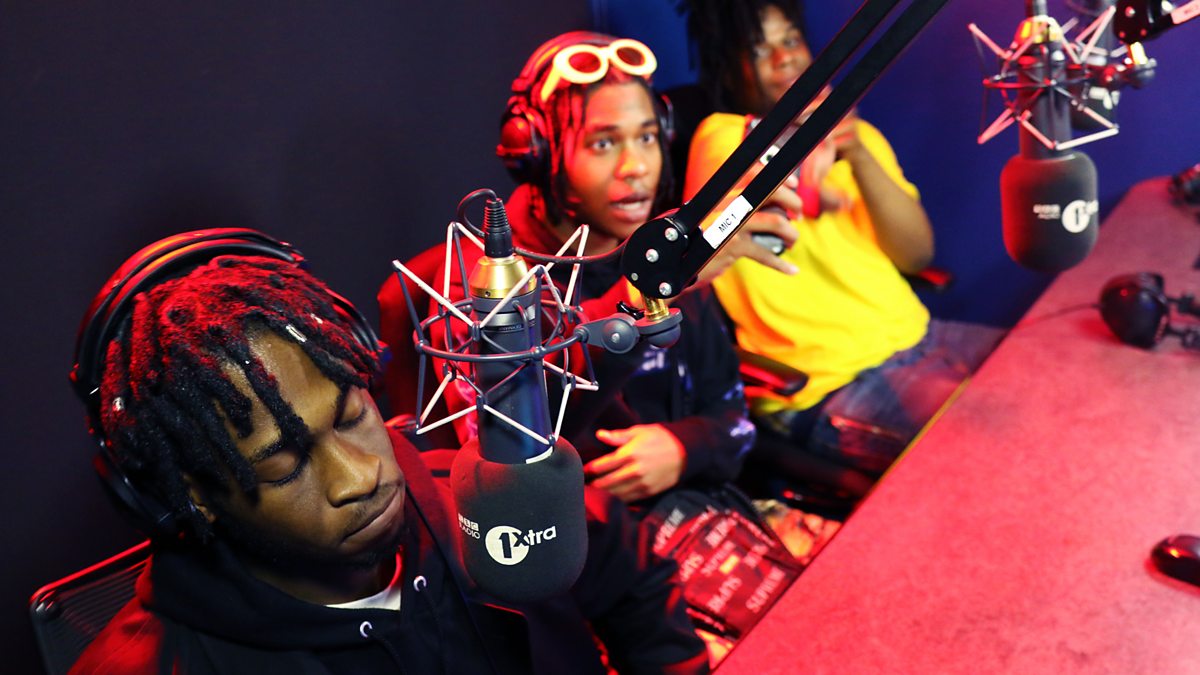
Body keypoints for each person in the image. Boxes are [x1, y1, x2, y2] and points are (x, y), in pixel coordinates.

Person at [68, 230, 708, 674]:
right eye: (284, 463)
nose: (362, 476)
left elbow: (633, 573)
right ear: (193, 495)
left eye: (351, 416)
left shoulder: (478, 503)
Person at [381, 31, 793, 508]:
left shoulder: (668, 250)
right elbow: (507, 450)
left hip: (694, 517)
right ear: (536, 152)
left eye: (646, 137)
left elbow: (734, 422)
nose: (636, 166)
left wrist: (686, 446)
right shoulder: (484, 281)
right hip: (583, 538)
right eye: (603, 143)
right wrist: (640, 297)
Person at [678, 0, 1003, 480]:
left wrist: (859, 154)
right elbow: (793, 192)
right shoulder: (722, 136)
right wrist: (819, 155)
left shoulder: (856, 134)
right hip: (833, 379)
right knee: (994, 444)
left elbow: (917, 255)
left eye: (791, 40)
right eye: (759, 50)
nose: (784, 58)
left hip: (920, 334)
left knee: (1044, 369)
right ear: (730, 68)